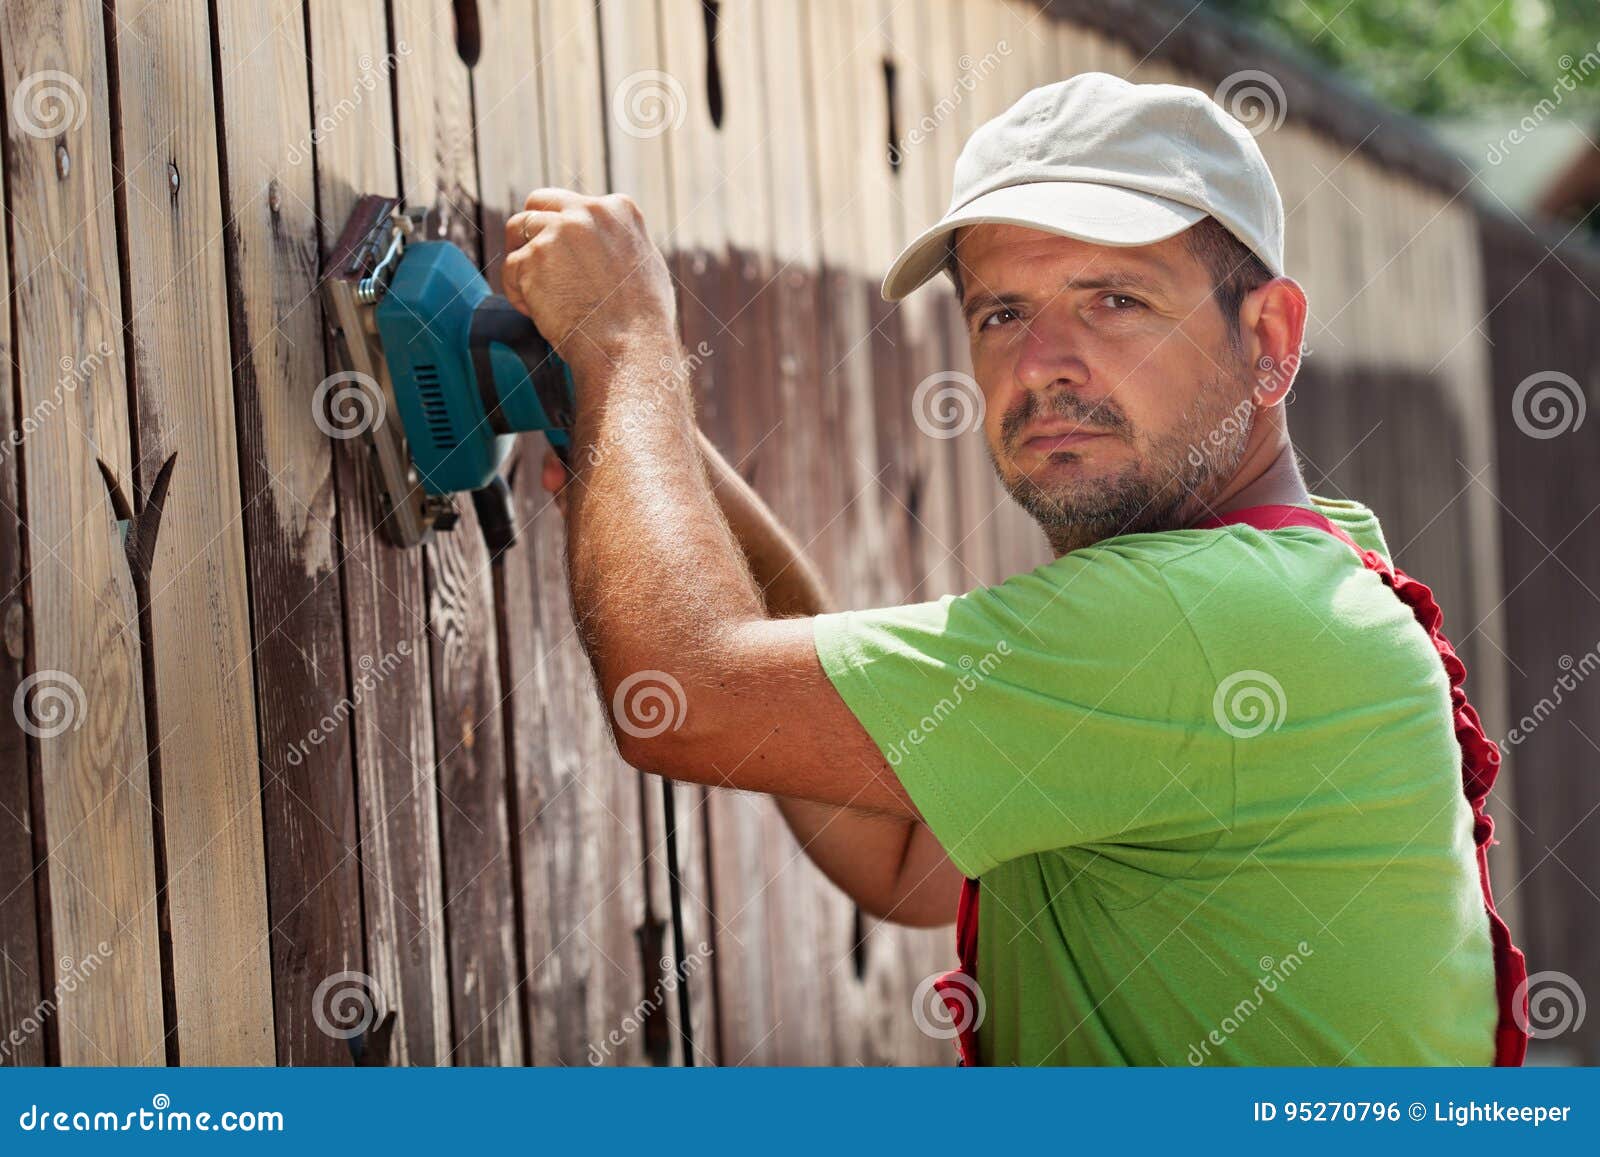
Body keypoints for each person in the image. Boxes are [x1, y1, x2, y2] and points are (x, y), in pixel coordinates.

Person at [502, 72, 1524, 1066]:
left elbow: (677, 695)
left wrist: (624, 335)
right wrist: (640, 433)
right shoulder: (1305, 570)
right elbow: (903, 857)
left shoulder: (1201, 617)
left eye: (1114, 300)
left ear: (1268, 338)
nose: (1041, 363)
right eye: (1000, 313)